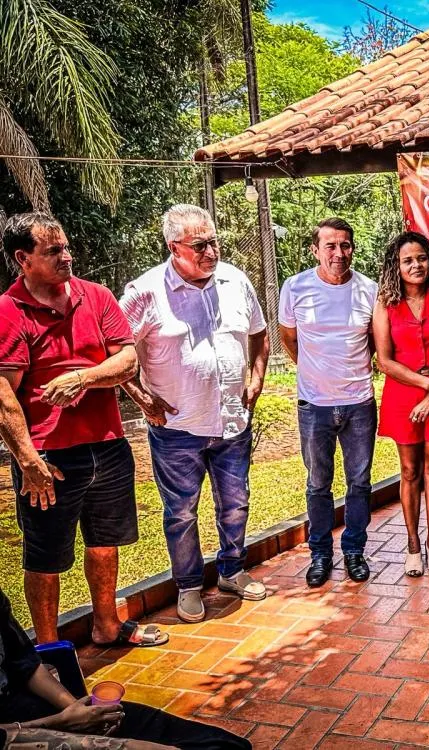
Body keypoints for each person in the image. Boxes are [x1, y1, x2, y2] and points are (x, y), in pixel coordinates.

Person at [0, 213, 166, 649]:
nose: (66, 257)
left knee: (105, 542)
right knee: (45, 557)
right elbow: (4, 394)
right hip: (48, 458)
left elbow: (127, 360)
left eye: (66, 247)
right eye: (53, 251)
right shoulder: (9, 311)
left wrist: (82, 378)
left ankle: (107, 625)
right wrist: (27, 460)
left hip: (108, 446)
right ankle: (49, 649)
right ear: (23, 258)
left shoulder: (96, 296)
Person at [119, 205, 270, 623]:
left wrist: (256, 376)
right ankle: (187, 585)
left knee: (235, 503)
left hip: (232, 421)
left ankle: (232, 570)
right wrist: (141, 398)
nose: (211, 251)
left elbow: (258, 333)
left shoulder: (235, 280)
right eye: (199, 244)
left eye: (214, 241)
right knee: (181, 511)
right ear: (174, 247)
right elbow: (110, 350)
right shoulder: (145, 292)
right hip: (177, 427)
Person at [0, 587, 250, 750]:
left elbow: (26, 664)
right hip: (16, 732)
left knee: (225, 746)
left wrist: (78, 711)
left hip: (30, 707)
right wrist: (61, 722)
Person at [279, 218, 378, 586]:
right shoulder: (296, 287)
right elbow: (289, 339)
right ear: (315, 250)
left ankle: (354, 551)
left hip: (359, 403)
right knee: (318, 484)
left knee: (360, 482)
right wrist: (315, 370)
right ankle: (320, 554)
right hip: (314, 405)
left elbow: (372, 340)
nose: (339, 253)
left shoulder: (369, 289)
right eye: (331, 246)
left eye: (346, 245)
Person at [373, 232, 429, 577]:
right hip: (405, 395)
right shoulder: (385, 303)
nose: (416, 265)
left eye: (421, 258)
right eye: (408, 260)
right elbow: (385, 360)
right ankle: (412, 546)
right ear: (396, 266)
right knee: (410, 471)